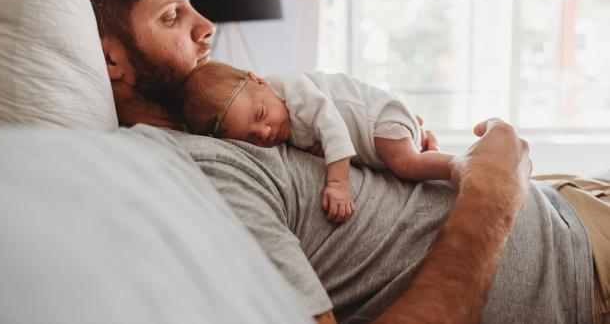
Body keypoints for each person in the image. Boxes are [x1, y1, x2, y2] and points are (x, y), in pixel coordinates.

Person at [69, 0, 608, 323]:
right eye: (171, 16)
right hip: (583, 273)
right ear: (111, 60)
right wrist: (494, 191)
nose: (206, 26)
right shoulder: (196, 176)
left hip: (566, 200)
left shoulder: (217, 117)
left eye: (191, 6)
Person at [180, 61, 454, 223]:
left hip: (377, 119)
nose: (264, 133)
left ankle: (463, 164)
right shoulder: (276, 116)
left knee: (407, 164)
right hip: (372, 145)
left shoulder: (295, 90)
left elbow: (333, 126)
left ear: (259, 80)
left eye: (261, 115)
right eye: (250, 137)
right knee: (407, 167)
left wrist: (338, 184)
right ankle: (431, 150)